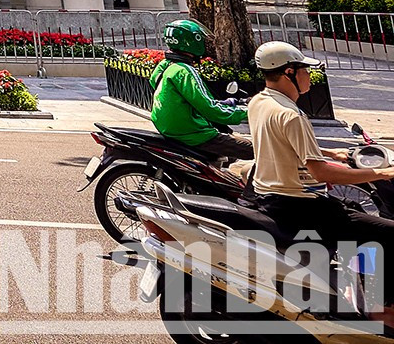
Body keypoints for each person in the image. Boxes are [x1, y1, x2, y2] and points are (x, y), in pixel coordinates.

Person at [248, 40, 394, 325]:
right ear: (289, 72)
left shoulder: (259, 102)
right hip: (300, 206)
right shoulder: (292, 115)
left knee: (355, 213)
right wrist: (382, 174)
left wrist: (329, 152)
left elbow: (279, 142)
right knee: (389, 234)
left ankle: (356, 288)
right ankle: (381, 308)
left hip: (269, 197)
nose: (309, 77)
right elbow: (323, 174)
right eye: (305, 70)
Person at [148, 17, 252, 162]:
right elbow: (210, 110)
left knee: (230, 151)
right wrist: (251, 112)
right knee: (254, 150)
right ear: (192, 41)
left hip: (171, 130)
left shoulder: (165, 65)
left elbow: (194, 101)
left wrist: (229, 102)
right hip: (194, 134)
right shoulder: (184, 71)